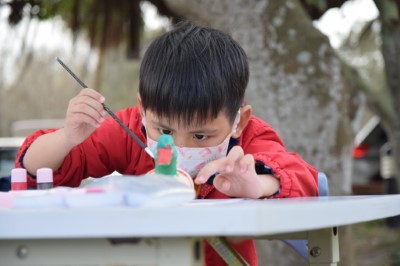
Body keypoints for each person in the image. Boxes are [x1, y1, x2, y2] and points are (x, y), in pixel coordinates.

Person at [15, 21, 318, 265]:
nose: (179, 147)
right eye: (165, 131)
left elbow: (304, 180)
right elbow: (33, 169)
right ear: (143, 108)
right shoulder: (130, 128)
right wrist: (67, 137)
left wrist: (257, 185)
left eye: (201, 136)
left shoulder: (249, 139)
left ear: (239, 120)